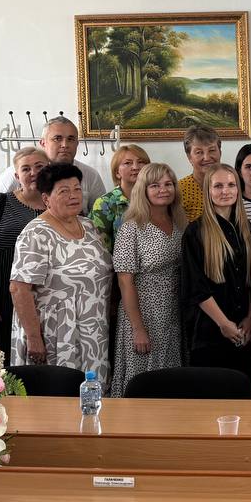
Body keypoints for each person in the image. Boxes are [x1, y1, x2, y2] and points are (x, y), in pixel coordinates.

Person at [9, 163, 112, 388]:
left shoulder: (89, 227)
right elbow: (19, 288)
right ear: (46, 198)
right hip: (55, 333)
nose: (73, 195)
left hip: (93, 330)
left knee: (92, 396)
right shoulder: (36, 233)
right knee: (59, 394)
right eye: (64, 191)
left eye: (77, 189)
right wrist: (34, 338)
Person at [110, 163, 185, 397]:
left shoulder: (181, 224)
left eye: (168, 184)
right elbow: (125, 282)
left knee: (171, 378)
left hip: (174, 312)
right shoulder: (131, 228)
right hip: (143, 312)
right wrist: (138, 328)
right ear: (143, 190)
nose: (163, 190)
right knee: (142, 378)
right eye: (155, 185)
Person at [180, 164, 251, 385]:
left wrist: (250, 318)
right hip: (210, 333)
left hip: (243, 331)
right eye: (218, 186)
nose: (225, 191)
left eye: (231, 185)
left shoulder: (245, 228)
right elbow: (196, 287)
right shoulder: (195, 232)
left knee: (243, 392)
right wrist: (223, 323)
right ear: (208, 191)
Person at [0, 146, 48, 357]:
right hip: (6, 297)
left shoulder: (63, 205)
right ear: (17, 176)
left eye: (39, 166)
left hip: (50, 303)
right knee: (7, 358)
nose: (33, 173)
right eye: (26, 169)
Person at [0, 115, 106, 211]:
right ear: (43, 143)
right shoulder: (20, 172)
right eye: (57, 139)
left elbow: (102, 218)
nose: (65, 145)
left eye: (70, 139)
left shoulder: (90, 175)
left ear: (77, 143)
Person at [90, 143, 150, 251]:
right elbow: (100, 247)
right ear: (117, 172)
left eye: (141, 162)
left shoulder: (155, 197)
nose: (136, 167)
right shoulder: (105, 203)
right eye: (128, 163)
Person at [178, 125, 222, 224]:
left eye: (212, 150)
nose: (206, 158)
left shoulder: (232, 184)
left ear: (220, 152)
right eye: (199, 152)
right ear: (189, 157)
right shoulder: (179, 190)